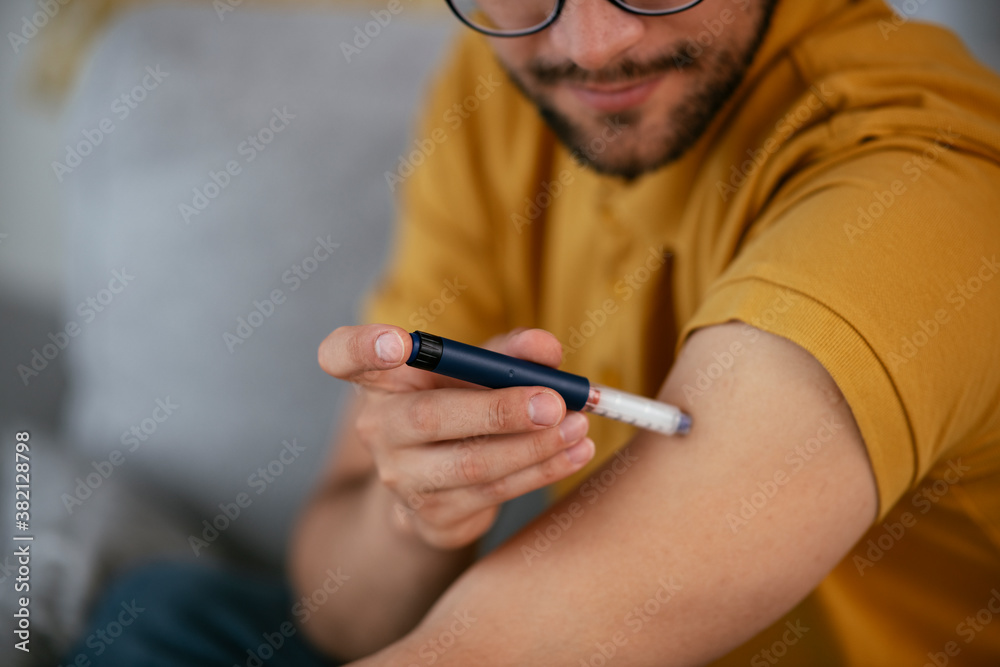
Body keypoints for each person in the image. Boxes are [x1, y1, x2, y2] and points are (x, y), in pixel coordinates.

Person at [69, 0, 1000, 664]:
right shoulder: (498, 89)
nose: (593, 45)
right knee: (163, 609)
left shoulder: (922, 190)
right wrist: (417, 515)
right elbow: (339, 614)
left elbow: (489, 648)